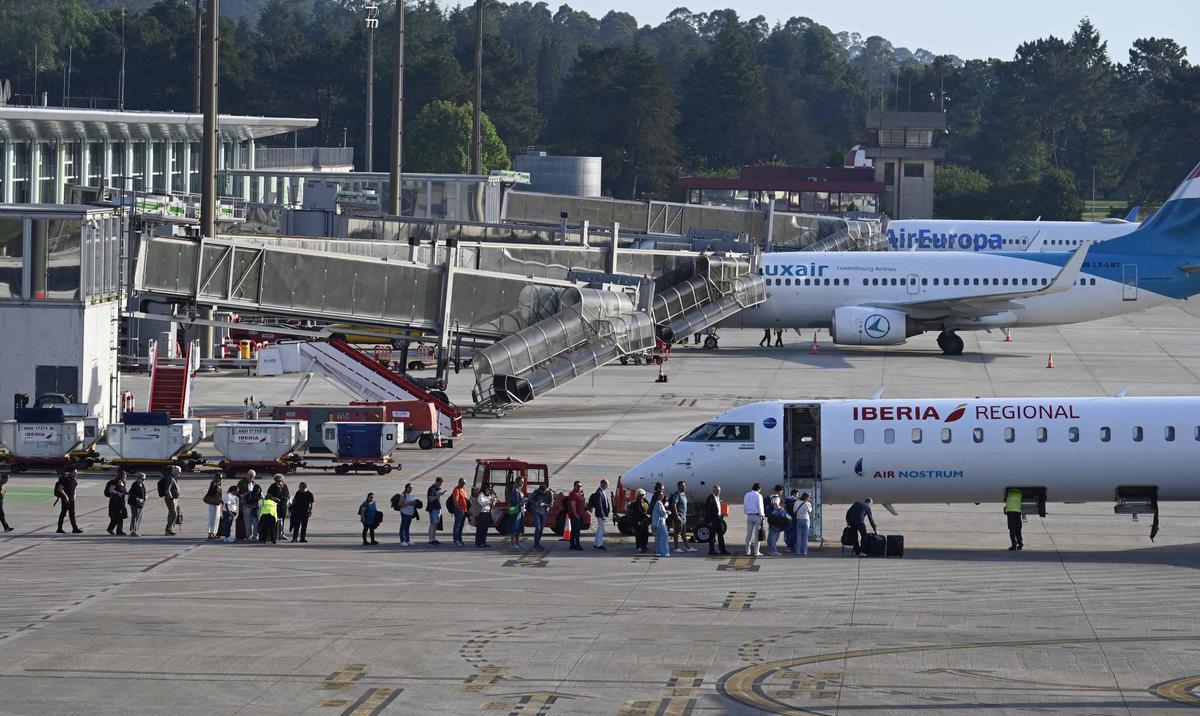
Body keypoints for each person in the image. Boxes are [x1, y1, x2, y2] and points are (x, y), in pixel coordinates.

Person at [668, 481, 694, 553]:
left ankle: (688, 547)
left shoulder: (683, 495)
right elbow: (674, 506)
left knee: (683, 533)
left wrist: (684, 517)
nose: (684, 487)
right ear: (679, 487)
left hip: (683, 517)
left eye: (684, 485)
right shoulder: (677, 495)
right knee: (676, 532)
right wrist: (677, 517)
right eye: (682, 486)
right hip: (679, 516)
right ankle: (676, 548)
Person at [55, 469, 83, 534]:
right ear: (71, 473)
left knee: (72, 514)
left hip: (71, 499)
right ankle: (59, 528)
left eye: (76, 473)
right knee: (63, 514)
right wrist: (66, 497)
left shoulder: (74, 480)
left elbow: (74, 489)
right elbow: (60, 488)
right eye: (75, 473)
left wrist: (74, 496)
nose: (76, 474)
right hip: (66, 499)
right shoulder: (66, 479)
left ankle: (75, 529)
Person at [705, 485, 729, 555]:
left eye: (719, 491)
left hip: (718, 518)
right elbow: (707, 510)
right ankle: (711, 550)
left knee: (720, 535)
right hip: (713, 519)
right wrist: (709, 521)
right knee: (712, 536)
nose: (718, 492)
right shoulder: (710, 498)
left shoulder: (717, 498)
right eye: (717, 490)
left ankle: (722, 549)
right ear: (713, 490)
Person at [527, 482, 551, 551]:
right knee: (538, 527)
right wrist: (536, 503)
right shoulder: (536, 492)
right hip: (536, 511)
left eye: (544, 492)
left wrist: (544, 504)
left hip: (544, 512)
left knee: (541, 529)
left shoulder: (549, 493)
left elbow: (550, 504)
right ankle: (536, 545)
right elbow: (530, 499)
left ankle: (538, 543)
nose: (542, 493)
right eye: (541, 492)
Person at [267, 474, 291, 542]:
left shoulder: (284, 486)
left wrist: (286, 497)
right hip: (275, 506)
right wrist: (273, 498)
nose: (279, 482)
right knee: (274, 520)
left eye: (280, 481)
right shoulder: (272, 486)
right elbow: (268, 495)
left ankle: (281, 533)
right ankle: (273, 535)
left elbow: (287, 494)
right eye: (277, 481)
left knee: (282, 520)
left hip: (283, 506)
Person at [159, 466, 182, 536]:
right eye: (179, 471)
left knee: (174, 514)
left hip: (175, 499)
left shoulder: (174, 478)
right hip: (170, 499)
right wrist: (171, 498)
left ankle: (170, 529)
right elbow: (167, 489)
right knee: (173, 514)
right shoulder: (171, 478)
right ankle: (168, 530)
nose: (180, 473)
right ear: (175, 471)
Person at [239, 471, 262, 542]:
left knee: (255, 523)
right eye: (250, 476)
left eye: (253, 476)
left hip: (254, 507)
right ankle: (248, 536)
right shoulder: (242, 482)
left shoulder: (254, 483)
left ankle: (255, 536)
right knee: (248, 523)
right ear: (247, 475)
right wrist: (246, 505)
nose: (252, 478)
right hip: (246, 506)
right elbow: (239, 495)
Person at [743, 483, 764, 557]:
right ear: (758, 488)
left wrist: (747, 512)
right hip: (757, 515)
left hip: (749, 515)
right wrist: (762, 515)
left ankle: (747, 551)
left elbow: (745, 505)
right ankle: (756, 552)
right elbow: (760, 507)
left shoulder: (747, 494)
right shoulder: (759, 495)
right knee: (757, 534)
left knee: (748, 534)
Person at [766, 485, 788, 556]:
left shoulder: (771, 496)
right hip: (776, 518)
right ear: (780, 491)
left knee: (771, 534)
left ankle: (770, 550)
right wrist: (781, 507)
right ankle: (773, 551)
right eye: (782, 491)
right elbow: (776, 505)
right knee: (774, 535)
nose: (782, 492)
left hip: (771, 517)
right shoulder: (777, 498)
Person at [448, 478, 470, 546]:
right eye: (463, 483)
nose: (463, 485)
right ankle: (456, 540)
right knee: (457, 525)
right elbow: (455, 501)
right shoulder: (456, 490)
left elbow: (465, 499)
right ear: (459, 483)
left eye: (464, 484)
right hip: (459, 510)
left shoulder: (463, 489)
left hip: (464, 510)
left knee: (461, 526)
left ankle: (460, 540)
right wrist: (459, 508)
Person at [504, 476, 524, 550]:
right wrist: (520, 502)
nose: (522, 482)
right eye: (521, 481)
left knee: (519, 526)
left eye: (523, 481)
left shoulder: (520, 490)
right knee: (514, 526)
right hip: (515, 510)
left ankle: (517, 542)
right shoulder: (515, 490)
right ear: (518, 482)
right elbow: (512, 501)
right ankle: (513, 542)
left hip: (520, 510)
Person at [590, 479, 611, 550]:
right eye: (607, 485)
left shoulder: (602, 492)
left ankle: (596, 543)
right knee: (601, 529)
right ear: (602, 484)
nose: (607, 486)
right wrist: (602, 515)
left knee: (600, 528)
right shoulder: (599, 493)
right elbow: (599, 505)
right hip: (600, 514)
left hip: (602, 514)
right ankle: (599, 544)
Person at [629, 488, 650, 553]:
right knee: (639, 535)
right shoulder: (636, 503)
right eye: (641, 495)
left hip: (645, 521)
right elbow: (638, 512)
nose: (642, 496)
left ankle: (644, 546)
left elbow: (648, 508)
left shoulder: (645, 501)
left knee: (646, 534)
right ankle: (639, 547)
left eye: (643, 494)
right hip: (639, 521)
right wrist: (645, 515)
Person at [567, 481, 585, 551]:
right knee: (577, 531)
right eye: (578, 486)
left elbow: (582, 502)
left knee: (574, 530)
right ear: (574, 486)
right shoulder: (573, 494)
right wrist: (575, 514)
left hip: (577, 515)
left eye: (580, 486)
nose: (579, 488)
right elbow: (572, 505)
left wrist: (581, 495)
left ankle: (572, 544)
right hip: (575, 515)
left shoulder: (578, 494)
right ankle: (577, 545)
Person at [203, 475, 223, 540]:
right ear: (216, 478)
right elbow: (211, 493)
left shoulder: (217, 485)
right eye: (219, 478)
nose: (220, 479)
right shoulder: (213, 485)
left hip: (217, 504)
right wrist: (216, 486)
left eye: (221, 478)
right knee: (212, 518)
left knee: (216, 518)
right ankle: (210, 533)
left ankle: (214, 533)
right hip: (213, 504)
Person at [426, 477, 444, 546]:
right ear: (437, 481)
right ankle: (430, 540)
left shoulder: (436, 489)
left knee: (436, 524)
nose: (440, 485)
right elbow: (430, 499)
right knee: (432, 524)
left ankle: (434, 538)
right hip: (433, 508)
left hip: (437, 508)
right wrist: (438, 495)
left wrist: (439, 494)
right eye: (440, 483)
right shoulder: (431, 489)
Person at [127, 473, 147, 537]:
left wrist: (145, 497)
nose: (144, 480)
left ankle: (135, 530)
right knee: (135, 517)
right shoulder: (135, 484)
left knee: (138, 517)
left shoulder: (142, 484)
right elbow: (131, 493)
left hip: (140, 503)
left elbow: (143, 492)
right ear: (138, 478)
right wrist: (137, 498)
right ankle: (133, 531)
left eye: (144, 479)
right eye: (143, 479)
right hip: (134, 503)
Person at [651, 493, 670, 557]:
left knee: (658, 538)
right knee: (664, 537)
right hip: (661, 523)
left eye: (663, 495)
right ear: (658, 496)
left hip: (657, 523)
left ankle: (658, 552)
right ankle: (665, 552)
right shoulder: (659, 503)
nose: (662, 496)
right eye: (661, 495)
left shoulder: (658, 503)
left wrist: (666, 511)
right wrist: (667, 514)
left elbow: (661, 511)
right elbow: (663, 513)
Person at [794, 492, 813, 556]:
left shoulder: (797, 502)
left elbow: (794, 510)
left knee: (799, 537)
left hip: (799, 520)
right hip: (806, 520)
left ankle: (798, 552)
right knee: (805, 537)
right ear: (806, 497)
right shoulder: (808, 504)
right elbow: (810, 513)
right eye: (809, 497)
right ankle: (804, 552)